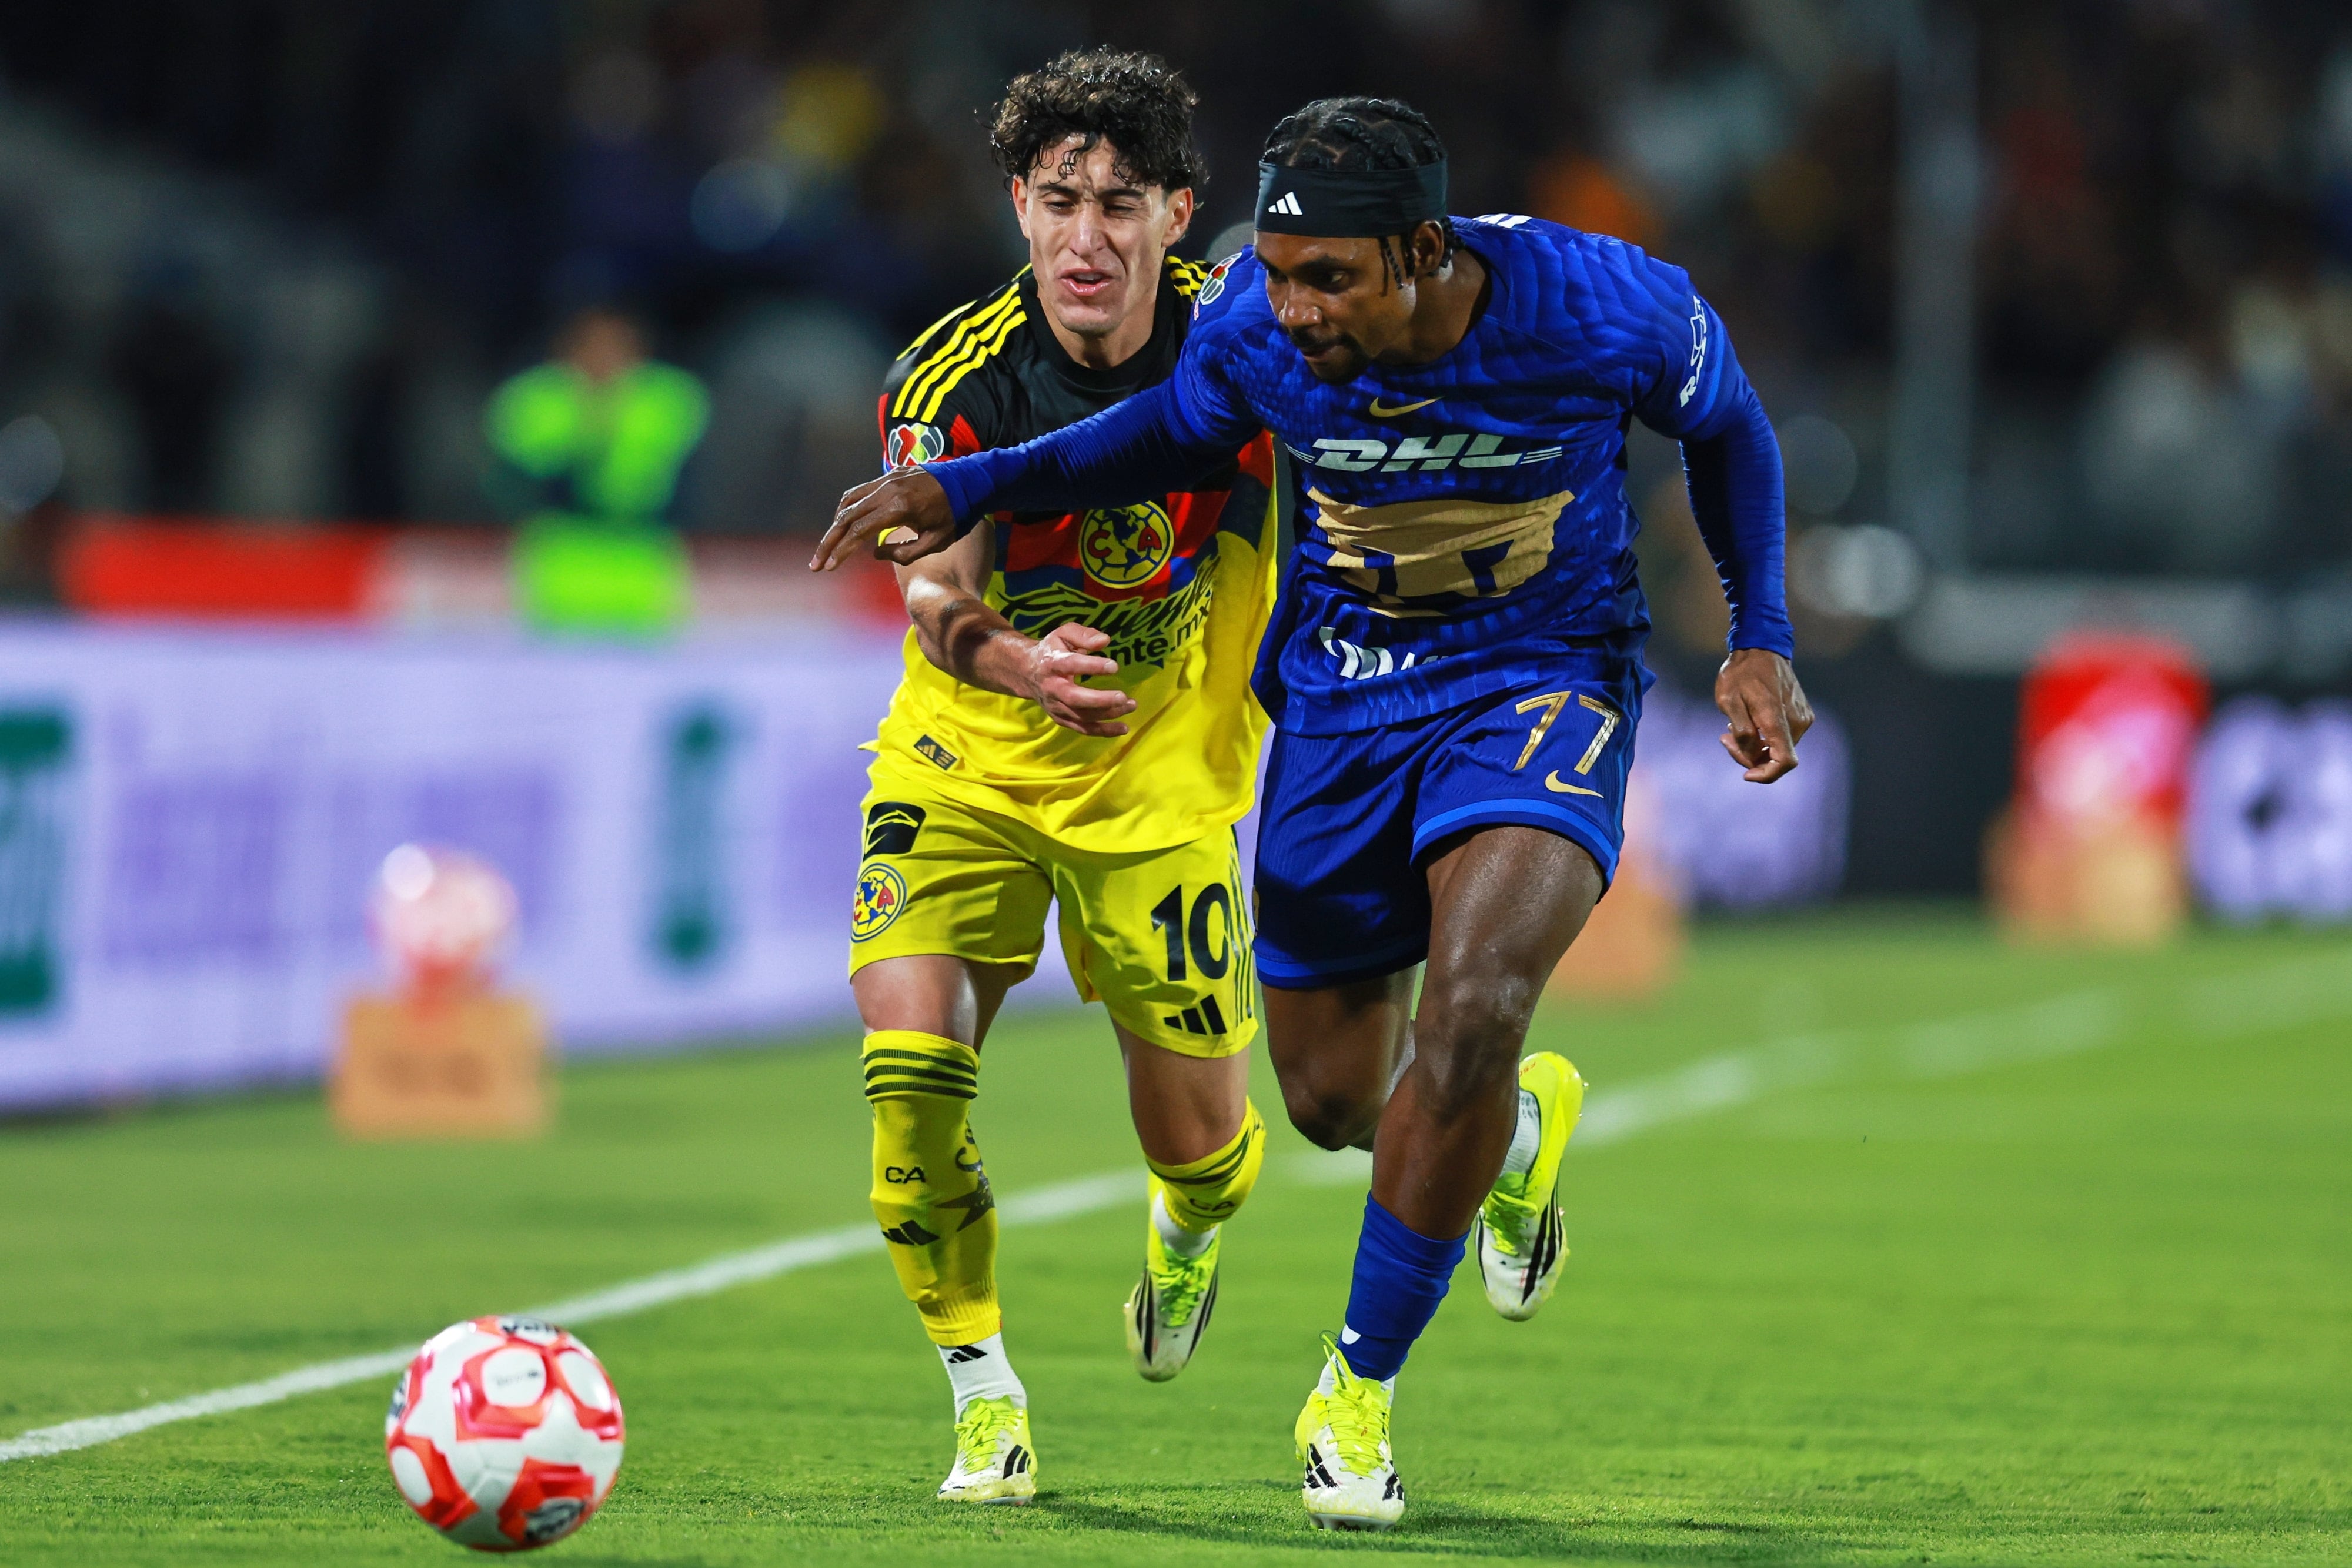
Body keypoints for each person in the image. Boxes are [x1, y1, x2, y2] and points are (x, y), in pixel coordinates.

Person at [814, 96, 1813, 1532]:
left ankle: (1354, 1393)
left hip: (1539, 676)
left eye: (1327, 278)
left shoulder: (1598, 303)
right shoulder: (1251, 327)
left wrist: (1757, 631)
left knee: (1473, 1004)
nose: (1291, 308)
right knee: (1335, 1101)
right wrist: (956, 484)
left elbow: (1731, 428)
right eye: (1277, 273)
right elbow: (1153, 436)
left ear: (1422, 251)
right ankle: (1513, 1129)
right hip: (1343, 702)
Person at [844, 51, 1282, 1506]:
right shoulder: (953, 379)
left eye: (1118, 203)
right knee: (909, 1077)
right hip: (963, 760)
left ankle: (1186, 1229)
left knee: (1204, 1150)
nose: (1084, 237)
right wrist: (1015, 663)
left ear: (1177, 213)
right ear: (1017, 208)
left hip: (1156, 776)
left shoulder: (1247, 337)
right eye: (1055, 200)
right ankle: (982, 1393)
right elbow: (932, 596)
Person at [484, 305, 709, 636]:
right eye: (593, 345)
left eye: (616, 345)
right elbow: (530, 475)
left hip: (641, 556)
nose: (604, 356)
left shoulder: (670, 397)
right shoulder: (533, 398)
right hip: (561, 554)